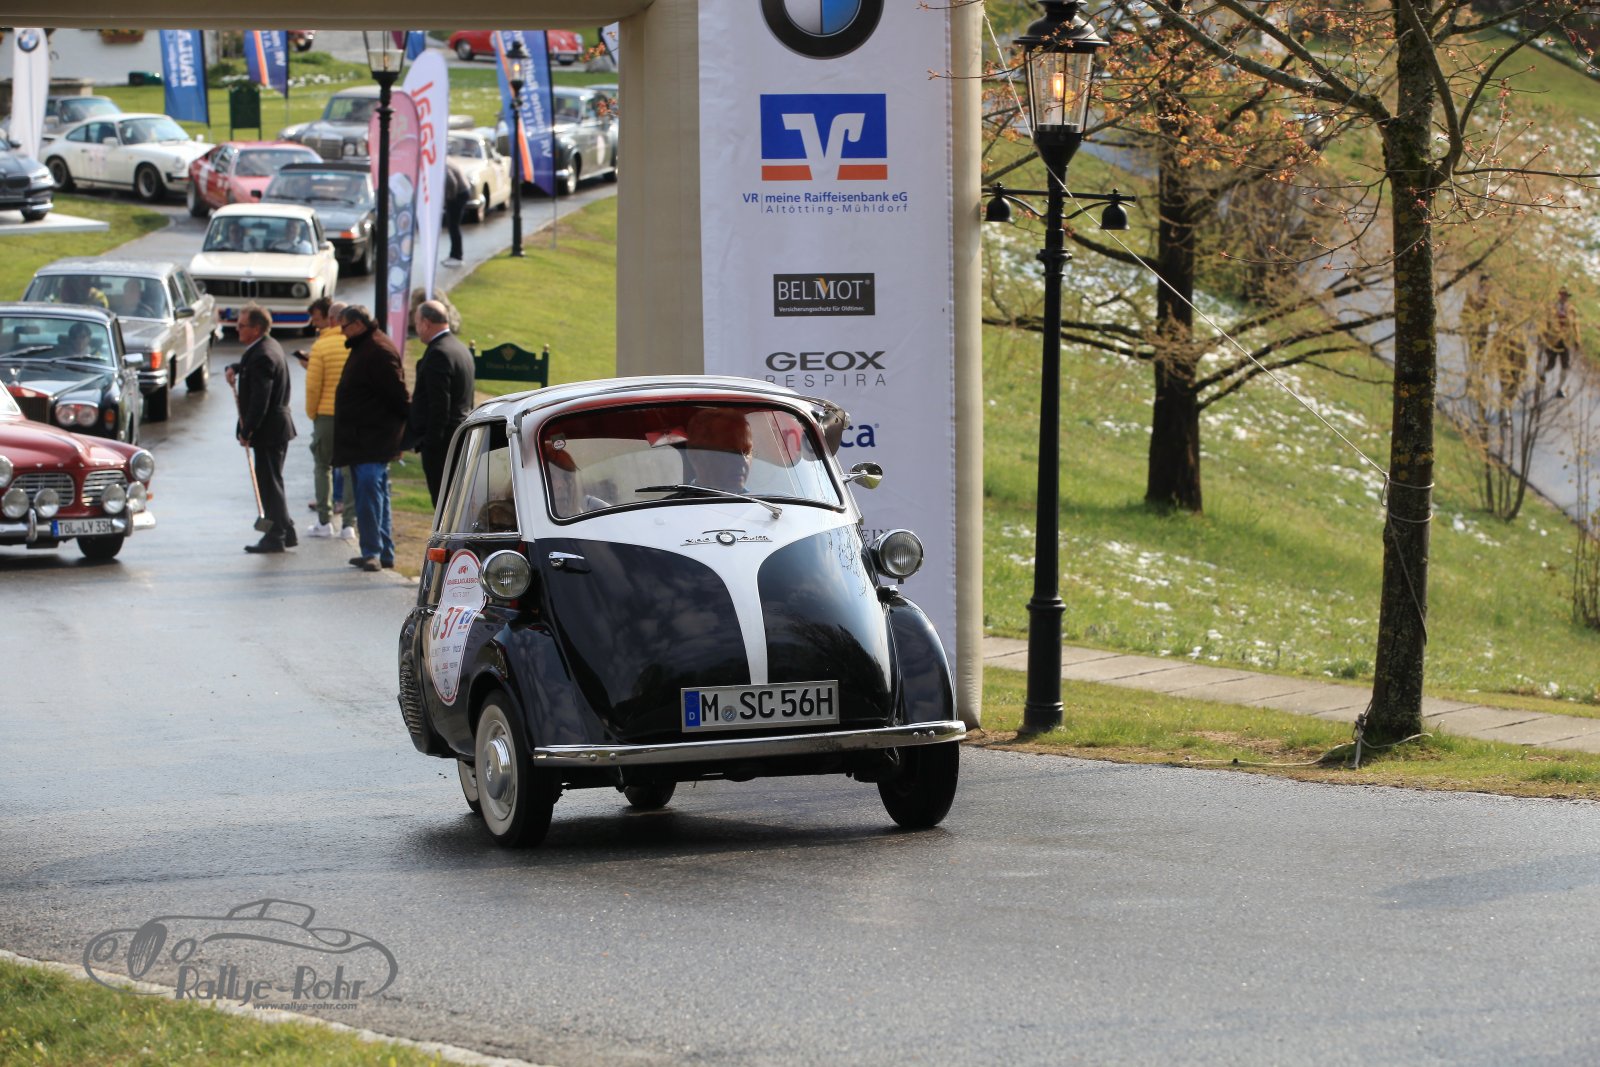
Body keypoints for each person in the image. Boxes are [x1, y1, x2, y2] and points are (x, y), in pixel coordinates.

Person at [332, 305, 409, 572]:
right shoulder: (366, 346)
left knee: (369, 494)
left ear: (357, 324)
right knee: (376, 495)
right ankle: (381, 550)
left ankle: (373, 551)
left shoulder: (377, 349)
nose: (342, 332)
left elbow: (398, 396)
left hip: (373, 439)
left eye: (344, 326)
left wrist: (402, 432)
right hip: (365, 438)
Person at [226, 305, 298, 554]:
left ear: (256, 329)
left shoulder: (263, 355)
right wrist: (235, 367)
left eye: (242, 325)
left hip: (269, 430)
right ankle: (286, 529)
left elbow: (260, 400)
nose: (237, 329)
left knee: (268, 484)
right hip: (274, 428)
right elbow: (250, 365)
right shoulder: (265, 347)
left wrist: (247, 430)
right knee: (272, 481)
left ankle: (276, 535)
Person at [405, 299, 476, 505]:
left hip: (443, 445)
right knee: (454, 504)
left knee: (444, 504)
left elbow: (439, 405)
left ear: (426, 323)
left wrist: (430, 443)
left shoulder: (439, 353)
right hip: (459, 436)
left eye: (417, 323)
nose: (416, 329)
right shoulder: (460, 349)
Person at [300, 298, 357, 541]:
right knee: (349, 469)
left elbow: (313, 386)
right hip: (350, 415)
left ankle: (324, 521)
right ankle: (349, 524)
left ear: (331, 319)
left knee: (322, 467)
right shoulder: (354, 344)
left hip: (325, 413)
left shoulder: (321, 346)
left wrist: (312, 412)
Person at [684, 408, 754, 492]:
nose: (742, 462)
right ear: (696, 456)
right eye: (731, 452)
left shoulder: (758, 499)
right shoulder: (679, 501)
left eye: (746, 452)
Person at [1537, 287, 1581, 399]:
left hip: (1565, 341)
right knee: (1551, 364)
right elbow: (1544, 322)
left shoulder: (1572, 310)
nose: (1564, 297)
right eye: (1562, 294)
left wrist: (1577, 339)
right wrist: (1543, 336)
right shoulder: (1551, 308)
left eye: (1566, 295)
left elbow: (1576, 325)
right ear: (1559, 295)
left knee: (1565, 365)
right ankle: (1542, 374)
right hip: (1553, 341)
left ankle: (1559, 388)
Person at [442, 158, 468, 266]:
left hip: (459, 194)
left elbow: (452, 182)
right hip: (460, 192)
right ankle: (454, 254)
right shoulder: (444, 160)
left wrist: (450, 198)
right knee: (452, 225)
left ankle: (457, 256)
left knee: (453, 226)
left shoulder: (442, 164)